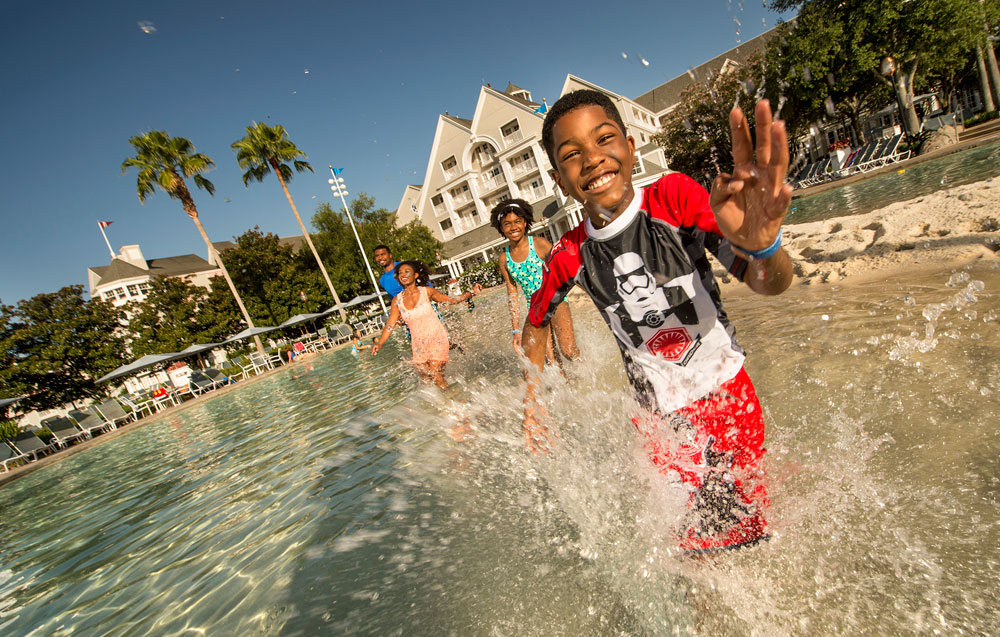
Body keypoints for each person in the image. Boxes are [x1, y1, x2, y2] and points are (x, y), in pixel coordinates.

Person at [520, 90, 794, 554]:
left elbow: (769, 283)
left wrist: (763, 248)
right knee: (689, 552)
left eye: (604, 139)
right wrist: (533, 398)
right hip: (659, 421)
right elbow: (536, 321)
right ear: (559, 180)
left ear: (629, 146)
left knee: (747, 533)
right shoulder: (571, 253)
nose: (592, 159)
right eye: (572, 155)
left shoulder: (673, 198)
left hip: (727, 393)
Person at [490, 199, 579, 361]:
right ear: (501, 228)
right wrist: (516, 330)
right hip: (536, 309)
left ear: (525, 222)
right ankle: (567, 385)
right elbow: (513, 295)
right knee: (550, 360)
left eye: (517, 221)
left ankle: (587, 378)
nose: (513, 227)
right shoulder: (504, 259)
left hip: (556, 302)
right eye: (507, 224)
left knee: (569, 351)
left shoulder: (539, 245)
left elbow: (564, 269)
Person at [372, 261, 482, 389]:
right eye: (400, 273)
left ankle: (456, 401)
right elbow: (390, 324)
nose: (403, 275)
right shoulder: (397, 300)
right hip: (419, 346)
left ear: (416, 275)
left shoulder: (427, 292)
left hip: (438, 339)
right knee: (426, 380)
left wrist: (470, 293)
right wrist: (380, 343)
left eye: (407, 272)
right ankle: (446, 402)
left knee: (436, 375)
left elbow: (451, 300)